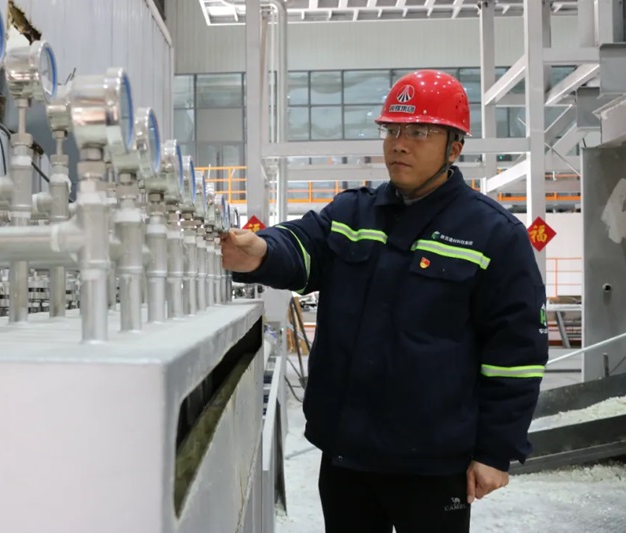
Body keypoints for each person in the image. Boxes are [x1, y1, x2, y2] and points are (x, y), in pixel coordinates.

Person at [221, 70, 548, 533]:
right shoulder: (353, 213)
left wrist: (495, 450)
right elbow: (302, 244)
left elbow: (516, 354)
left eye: (419, 132)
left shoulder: (494, 234)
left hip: (434, 464)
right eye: (392, 130)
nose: (399, 144)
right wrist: (260, 252)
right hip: (347, 455)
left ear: (454, 148)